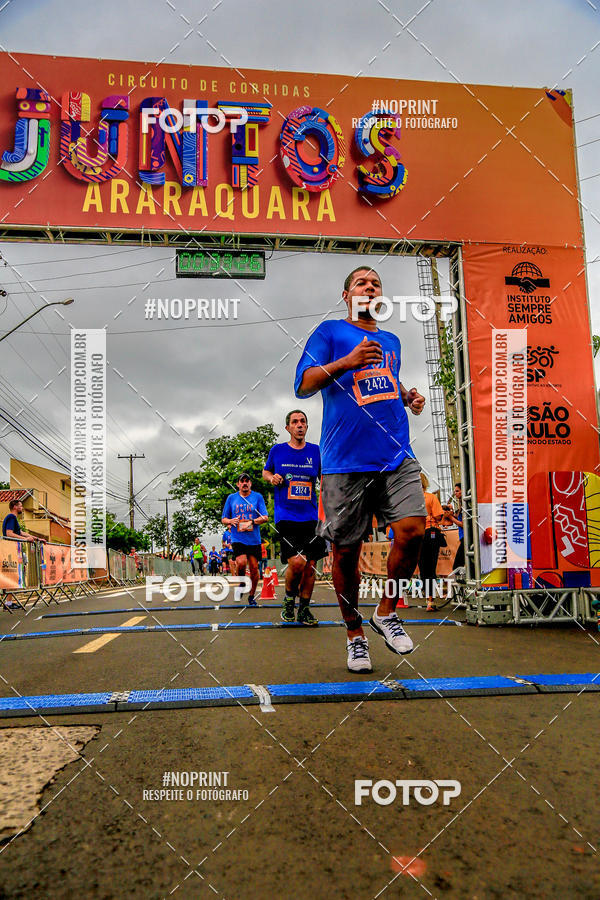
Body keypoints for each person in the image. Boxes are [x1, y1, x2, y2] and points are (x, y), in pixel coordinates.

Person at [294, 265, 426, 672]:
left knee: (413, 529)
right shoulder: (331, 332)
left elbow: (384, 380)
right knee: (346, 552)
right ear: (347, 294)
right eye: (361, 283)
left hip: (394, 454)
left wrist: (407, 396)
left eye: (376, 283)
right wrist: (346, 361)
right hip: (344, 462)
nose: (370, 287)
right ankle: (354, 634)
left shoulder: (392, 340)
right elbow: (303, 383)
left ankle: (386, 612)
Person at [263, 409, 327, 625]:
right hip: (287, 515)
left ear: (307, 426)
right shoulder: (277, 451)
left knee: (310, 565)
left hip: (311, 516)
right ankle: (289, 599)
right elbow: (266, 472)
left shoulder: (316, 452)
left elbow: (324, 479)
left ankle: (305, 609)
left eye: (303, 422)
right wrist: (272, 478)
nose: (299, 425)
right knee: (297, 563)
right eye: (295, 422)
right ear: (288, 428)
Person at [221, 474, 269, 607]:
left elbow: (265, 517)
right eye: (242, 481)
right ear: (238, 484)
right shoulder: (231, 498)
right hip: (238, 538)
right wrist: (230, 521)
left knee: (254, 568)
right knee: (241, 562)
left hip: (254, 539)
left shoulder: (257, 497)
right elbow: (224, 518)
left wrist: (252, 521)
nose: (244, 483)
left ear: (250, 483)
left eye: (247, 481)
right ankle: (242, 583)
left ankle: (252, 596)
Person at [418, 472, 445, 611]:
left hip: (417, 534)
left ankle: (427, 593)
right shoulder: (431, 497)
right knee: (431, 566)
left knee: (422, 566)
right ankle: (430, 599)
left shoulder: (411, 499)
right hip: (431, 532)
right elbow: (439, 516)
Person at [448, 483, 464, 571]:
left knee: (457, 566)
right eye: (455, 492)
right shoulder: (461, 505)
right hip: (462, 537)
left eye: (457, 491)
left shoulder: (466, 505)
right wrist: (451, 514)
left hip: (466, 537)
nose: (456, 493)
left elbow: (463, 524)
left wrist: (451, 517)